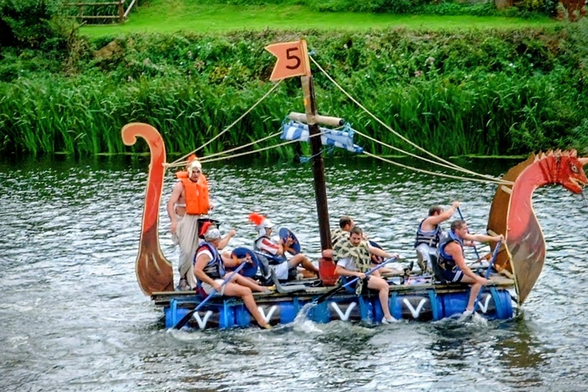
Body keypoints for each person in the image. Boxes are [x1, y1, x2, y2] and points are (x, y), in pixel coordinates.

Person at [194, 223, 272, 329]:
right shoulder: (205, 253)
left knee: (234, 275)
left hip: (217, 280)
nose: (220, 239)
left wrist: (243, 260)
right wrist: (213, 283)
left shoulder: (212, 248)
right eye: (219, 238)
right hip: (209, 285)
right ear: (214, 240)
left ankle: (261, 289)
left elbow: (226, 262)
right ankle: (261, 321)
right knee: (246, 291)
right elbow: (197, 271)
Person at [167, 157, 221, 290]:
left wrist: (209, 205)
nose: (196, 174)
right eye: (194, 171)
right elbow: (170, 203)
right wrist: (173, 221)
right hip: (183, 219)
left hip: (197, 219)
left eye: (198, 172)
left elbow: (202, 201)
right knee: (186, 250)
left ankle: (192, 280)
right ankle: (182, 277)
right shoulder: (180, 185)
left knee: (195, 250)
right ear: (189, 171)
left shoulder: (200, 184)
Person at [436, 219, 503, 317]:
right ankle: (469, 309)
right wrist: (478, 278)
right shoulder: (454, 246)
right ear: (457, 230)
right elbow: (463, 268)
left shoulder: (453, 235)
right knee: (477, 282)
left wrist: (495, 239)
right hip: (448, 273)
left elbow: (477, 237)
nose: (466, 231)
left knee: (474, 275)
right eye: (464, 229)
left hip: (446, 268)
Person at [333, 226, 398, 324]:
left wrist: (390, 255)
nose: (356, 241)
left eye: (358, 239)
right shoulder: (346, 251)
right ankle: (387, 316)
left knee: (376, 272)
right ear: (350, 237)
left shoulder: (363, 245)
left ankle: (381, 304)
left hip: (362, 275)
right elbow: (338, 270)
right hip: (352, 280)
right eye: (354, 238)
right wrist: (356, 274)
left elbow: (374, 250)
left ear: (361, 238)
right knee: (384, 285)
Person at [250, 213, 320, 281]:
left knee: (308, 272)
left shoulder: (268, 240)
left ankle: (316, 274)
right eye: (269, 229)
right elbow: (279, 252)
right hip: (273, 271)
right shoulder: (262, 241)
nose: (271, 231)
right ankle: (318, 272)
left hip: (278, 267)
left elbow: (280, 250)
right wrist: (280, 244)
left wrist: (286, 244)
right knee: (300, 257)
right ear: (263, 229)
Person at [414, 201, 460, 274]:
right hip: (424, 249)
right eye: (441, 213)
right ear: (436, 213)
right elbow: (446, 216)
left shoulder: (437, 228)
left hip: (432, 250)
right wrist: (454, 206)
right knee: (431, 269)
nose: (442, 217)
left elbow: (448, 238)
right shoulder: (428, 220)